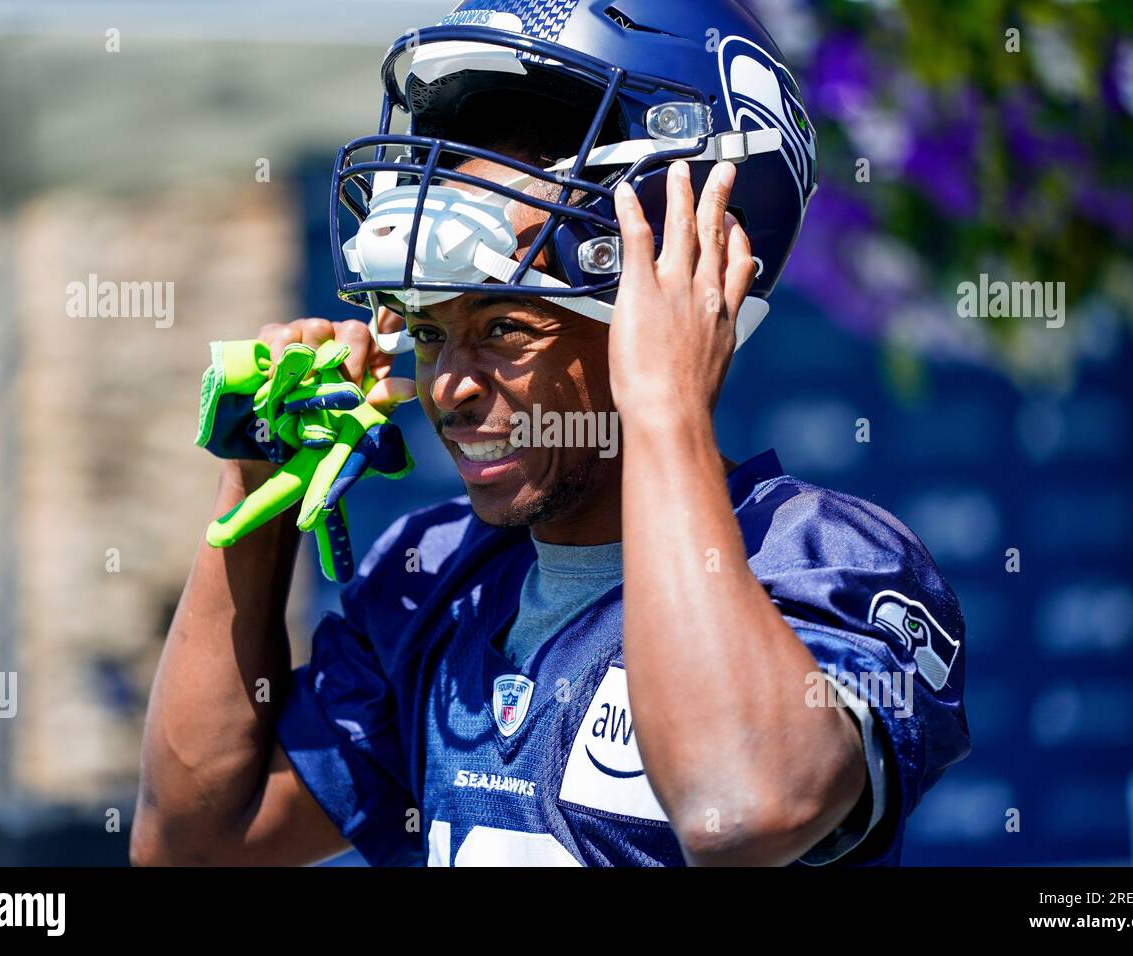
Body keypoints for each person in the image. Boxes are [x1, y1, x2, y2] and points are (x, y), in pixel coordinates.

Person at [131, 0, 969, 867]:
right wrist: (258, 478)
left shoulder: (825, 561)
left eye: (504, 327)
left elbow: (742, 808)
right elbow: (191, 842)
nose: (448, 385)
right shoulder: (434, 580)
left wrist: (666, 410)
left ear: (670, 299)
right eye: (426, 330)